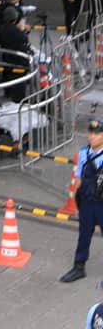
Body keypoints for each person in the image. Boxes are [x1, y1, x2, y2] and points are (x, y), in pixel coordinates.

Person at [61, 120, 103, 282]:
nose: (92, 137)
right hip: (86, 202)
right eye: (91, 133)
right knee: (83, 236)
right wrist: (75, 199)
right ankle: (79, 267)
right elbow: (78, 176)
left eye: (97, 133)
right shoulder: (84, 152)